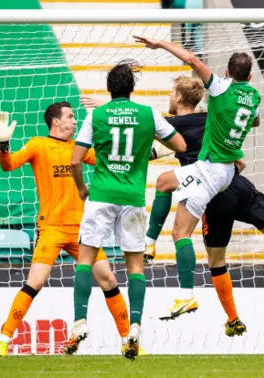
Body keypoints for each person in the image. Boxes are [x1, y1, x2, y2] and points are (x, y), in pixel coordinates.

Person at [83, 77, 264, 336]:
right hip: (238, 185)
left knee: (214, 259)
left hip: (211, 193)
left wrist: (98, 143)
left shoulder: (174, 125)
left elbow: (140, 125)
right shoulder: (210, 120)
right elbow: (237, 156)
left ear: (179, 98)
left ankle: (230, 315)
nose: (169, 96)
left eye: (171, 92)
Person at [133, 35, 261, 320]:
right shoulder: (254, 97)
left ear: (227, 74)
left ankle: (186, 294)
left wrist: (160, 44)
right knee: (165, 181)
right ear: (250, 76)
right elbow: (254, 121)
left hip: (210, 172)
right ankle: (151, 243)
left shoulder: (218, 90)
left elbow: (191, 60)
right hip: (223, 170)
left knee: (180, 233)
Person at [66, 60, 186, 361]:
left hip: (102, 194)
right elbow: (181, 145)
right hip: (132, 198)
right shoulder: (149, 114)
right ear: (133, 88)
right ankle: (134, 327)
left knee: (85, 261)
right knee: (135, 267)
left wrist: (82, 189)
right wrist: (148, 146)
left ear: (109, 89)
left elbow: (75, 160)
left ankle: (80, 321)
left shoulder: (97, 114)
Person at [0, 102, 130, 357]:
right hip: (51, 228)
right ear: (56, 121)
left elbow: (109, 160)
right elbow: (8, 165)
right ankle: (3, 340)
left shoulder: (79, 147)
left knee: (108, 279)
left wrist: (137, 146)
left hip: (81, 230)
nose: (74, 121)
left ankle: (128, 342)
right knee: (36, 281)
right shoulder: (38, 145)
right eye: (70, 117)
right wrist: (2, 145)